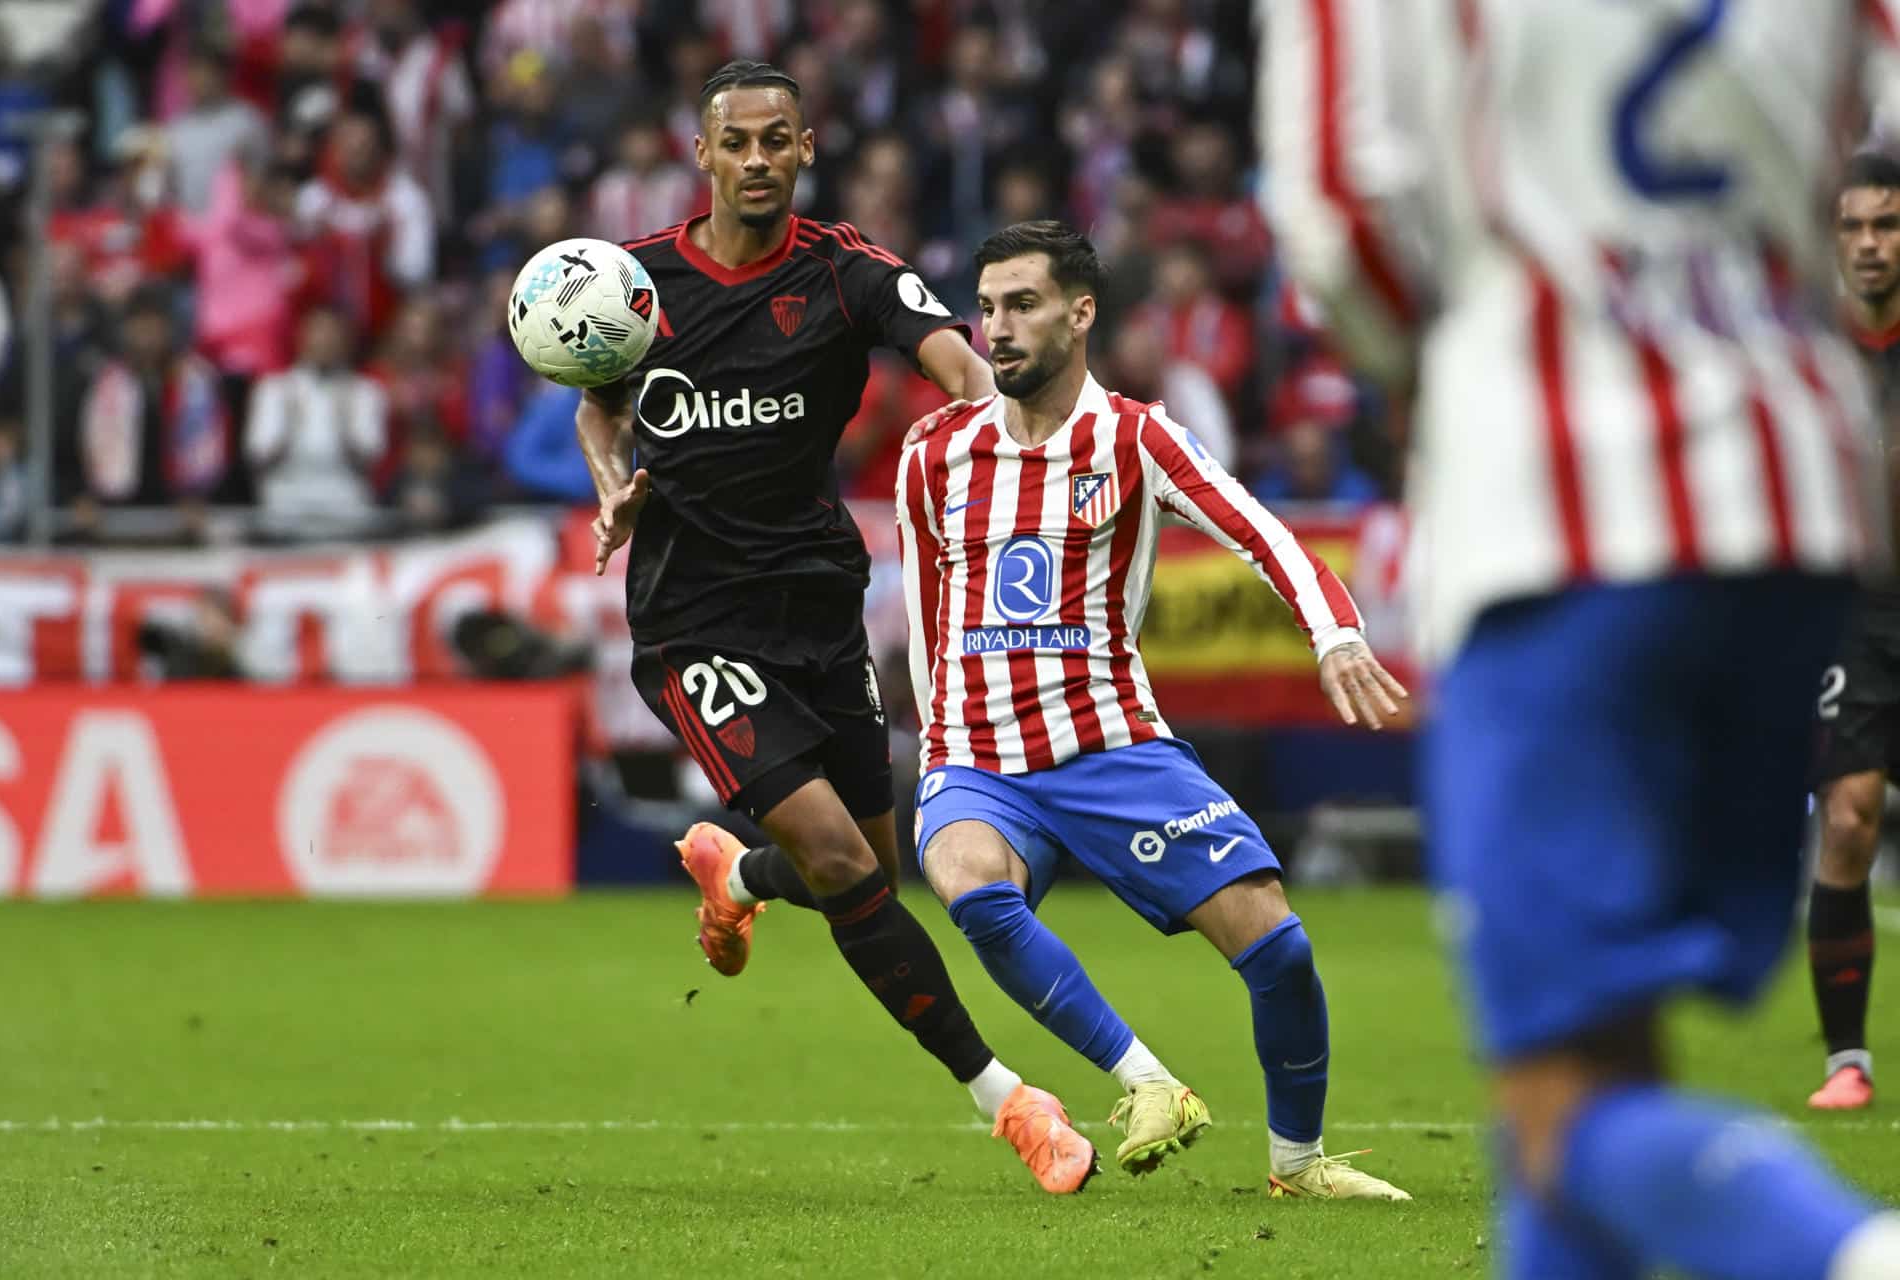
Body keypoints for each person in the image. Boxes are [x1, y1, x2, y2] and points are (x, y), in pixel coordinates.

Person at [1265, 3, 1900, 1277]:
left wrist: (1473, 365)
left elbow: (1339, 213)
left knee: (1558, 1096)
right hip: (1793, 501)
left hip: (1562, 510)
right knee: (1601, 1051)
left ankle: (1850, 1249)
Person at [572, 60, 1094, 1193]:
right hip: (694, 623)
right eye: (736, 142)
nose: (756, 160)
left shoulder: (846, 271)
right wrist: (614, 480)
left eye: (777, 140)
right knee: (850, 859)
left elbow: (952, 355)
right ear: (701, 154)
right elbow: (595, 397)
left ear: (806, 150)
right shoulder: (642, 283)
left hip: (818, 601)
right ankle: (1010, 1101)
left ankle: (740, 875)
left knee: (866, 861)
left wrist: (997, 426)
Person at [892, 221, 1409, 1199]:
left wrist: (1334, 630)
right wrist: (937, 749)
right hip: (980, 756)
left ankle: (1297, 1164)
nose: (996, 328)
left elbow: (1260, 529)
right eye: (988, 307)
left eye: (1024, 305)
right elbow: (925, 613)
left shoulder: (1136, 436)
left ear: (1080, 313)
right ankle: (1148, 1080)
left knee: (1277, 943)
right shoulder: (936, 452)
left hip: (1111, 744)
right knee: (965, 874)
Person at [1808, 152, 1900, 1113]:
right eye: (1856, 227)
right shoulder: (1813, 345)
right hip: (1851, 612)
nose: (1872, 244)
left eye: (1888, 224)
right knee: (1848, 813)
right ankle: (1848, 1061)